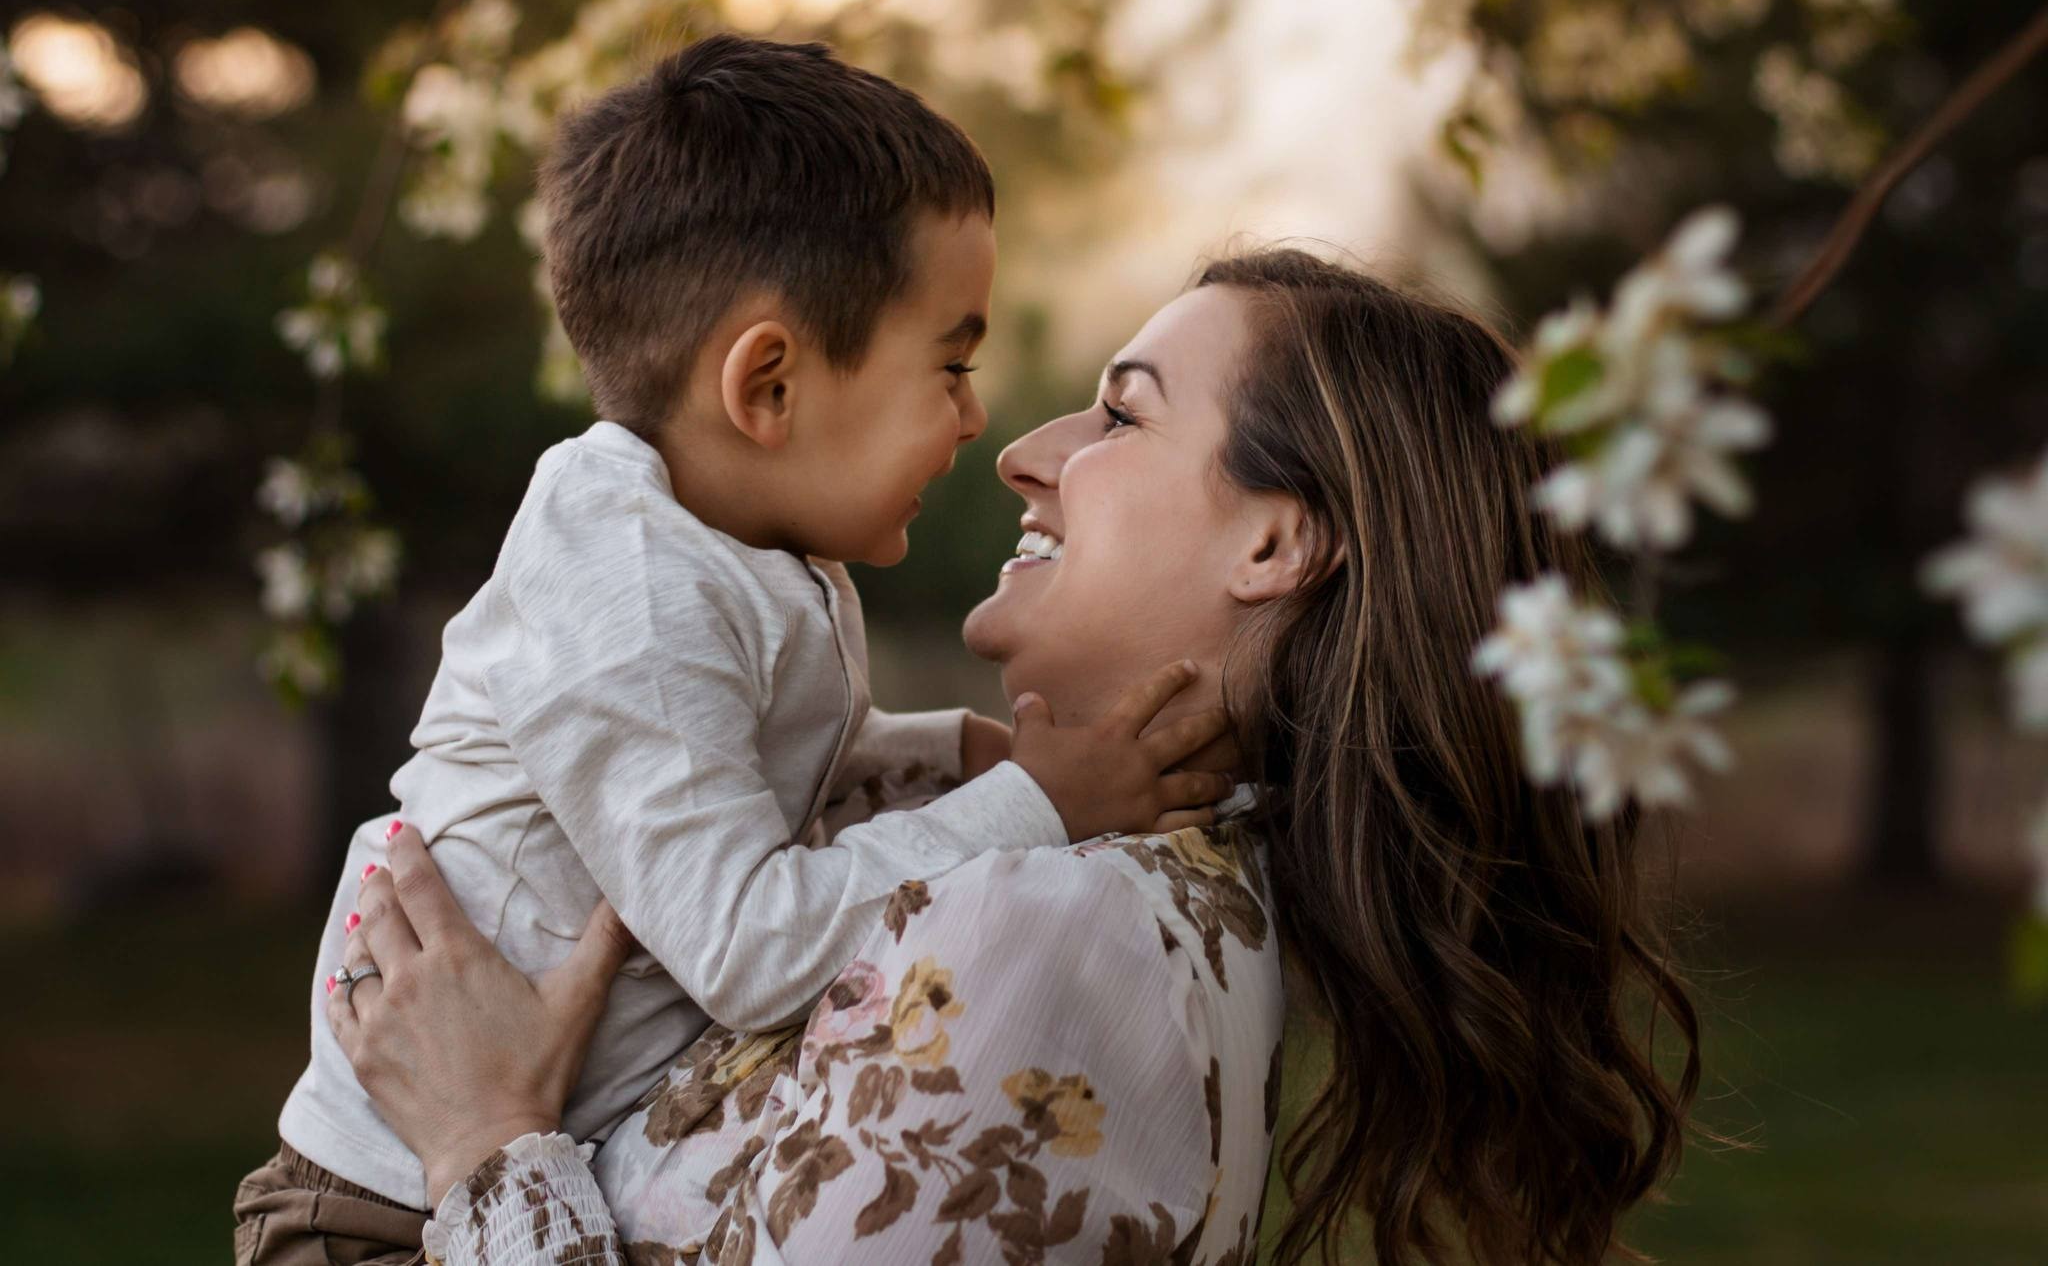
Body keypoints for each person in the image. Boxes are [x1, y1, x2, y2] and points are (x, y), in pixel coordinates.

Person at [322, 248, 1702, 1265]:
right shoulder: (1135, 883)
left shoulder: (1049, 936)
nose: (1020, 452)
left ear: (1275, 542)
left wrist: (485, 1148)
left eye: (1122, 415)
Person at [235, 36, 1231, 1266]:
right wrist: (1035, 804)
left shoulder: (740, 546)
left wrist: (954, 757)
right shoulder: (631, 586)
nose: (978, 418)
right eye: (951, 365)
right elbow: (750, 944)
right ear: (767, 386)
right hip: (373, 1219)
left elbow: (771, 759)